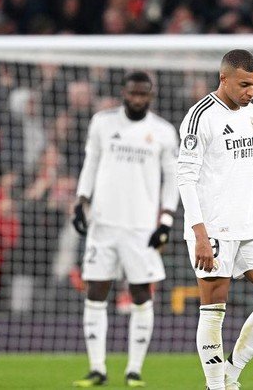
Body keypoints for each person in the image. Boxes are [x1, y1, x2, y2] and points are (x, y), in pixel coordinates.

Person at [177, 49, 253, 390]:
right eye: (244, 84)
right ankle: (216, 385)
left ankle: (231, 373)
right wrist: (199, 233)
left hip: (252, 223)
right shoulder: (200, 116)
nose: (250, 92)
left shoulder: (252, 114)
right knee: (214, 307)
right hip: (214, 227)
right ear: (223, 78)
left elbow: (252, 167)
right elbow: (185, 177)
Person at [71, 71, 179, 387]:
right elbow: (90, 163)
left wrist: (166, 222)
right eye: (132, 93)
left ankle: (134, 370)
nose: (137, 99)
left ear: (151, 95)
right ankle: (97, 369)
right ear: (123, 92)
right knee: (95, 292)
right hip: (103, 223)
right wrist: (81, 200)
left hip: (141, 227)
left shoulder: (163, 131)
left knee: (141, 294)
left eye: (143, 94)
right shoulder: (102, 123)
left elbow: (172, 180)